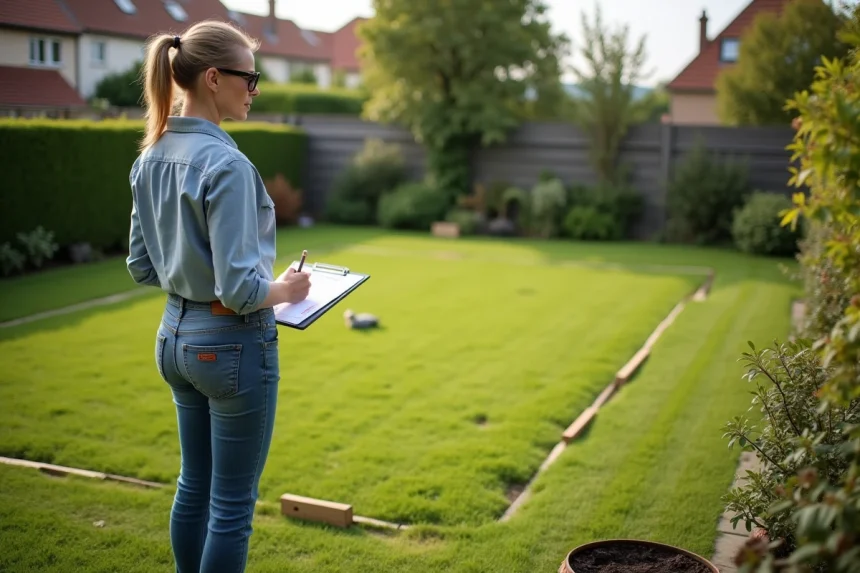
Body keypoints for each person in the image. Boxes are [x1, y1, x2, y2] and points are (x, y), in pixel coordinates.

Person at [125, 19, 311, 573]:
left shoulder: (149, 155)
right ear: (213, 78)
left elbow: (140, 266)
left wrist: (190, 276)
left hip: (173, 338)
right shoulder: (227, 164)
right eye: (249, 79)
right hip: (229, 347)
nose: (255, 90)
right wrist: (288, 288)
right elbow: (241, 290)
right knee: (231, 506)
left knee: (194, 486)